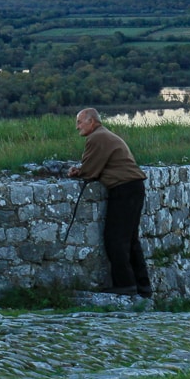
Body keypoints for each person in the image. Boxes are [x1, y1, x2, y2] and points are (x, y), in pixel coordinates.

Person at [68, 107, 151, 297]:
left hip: (124, 189)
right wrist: (82, 170)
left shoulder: (96, 138)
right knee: (130, 240)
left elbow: (91, 171)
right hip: (133, 187)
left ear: (92, 121)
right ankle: (143, 286)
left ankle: (125, 285)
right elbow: (97, 165)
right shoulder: (104, 135)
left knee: (115, 239)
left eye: (80, 122)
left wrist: (78, 172)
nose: (77, 127)